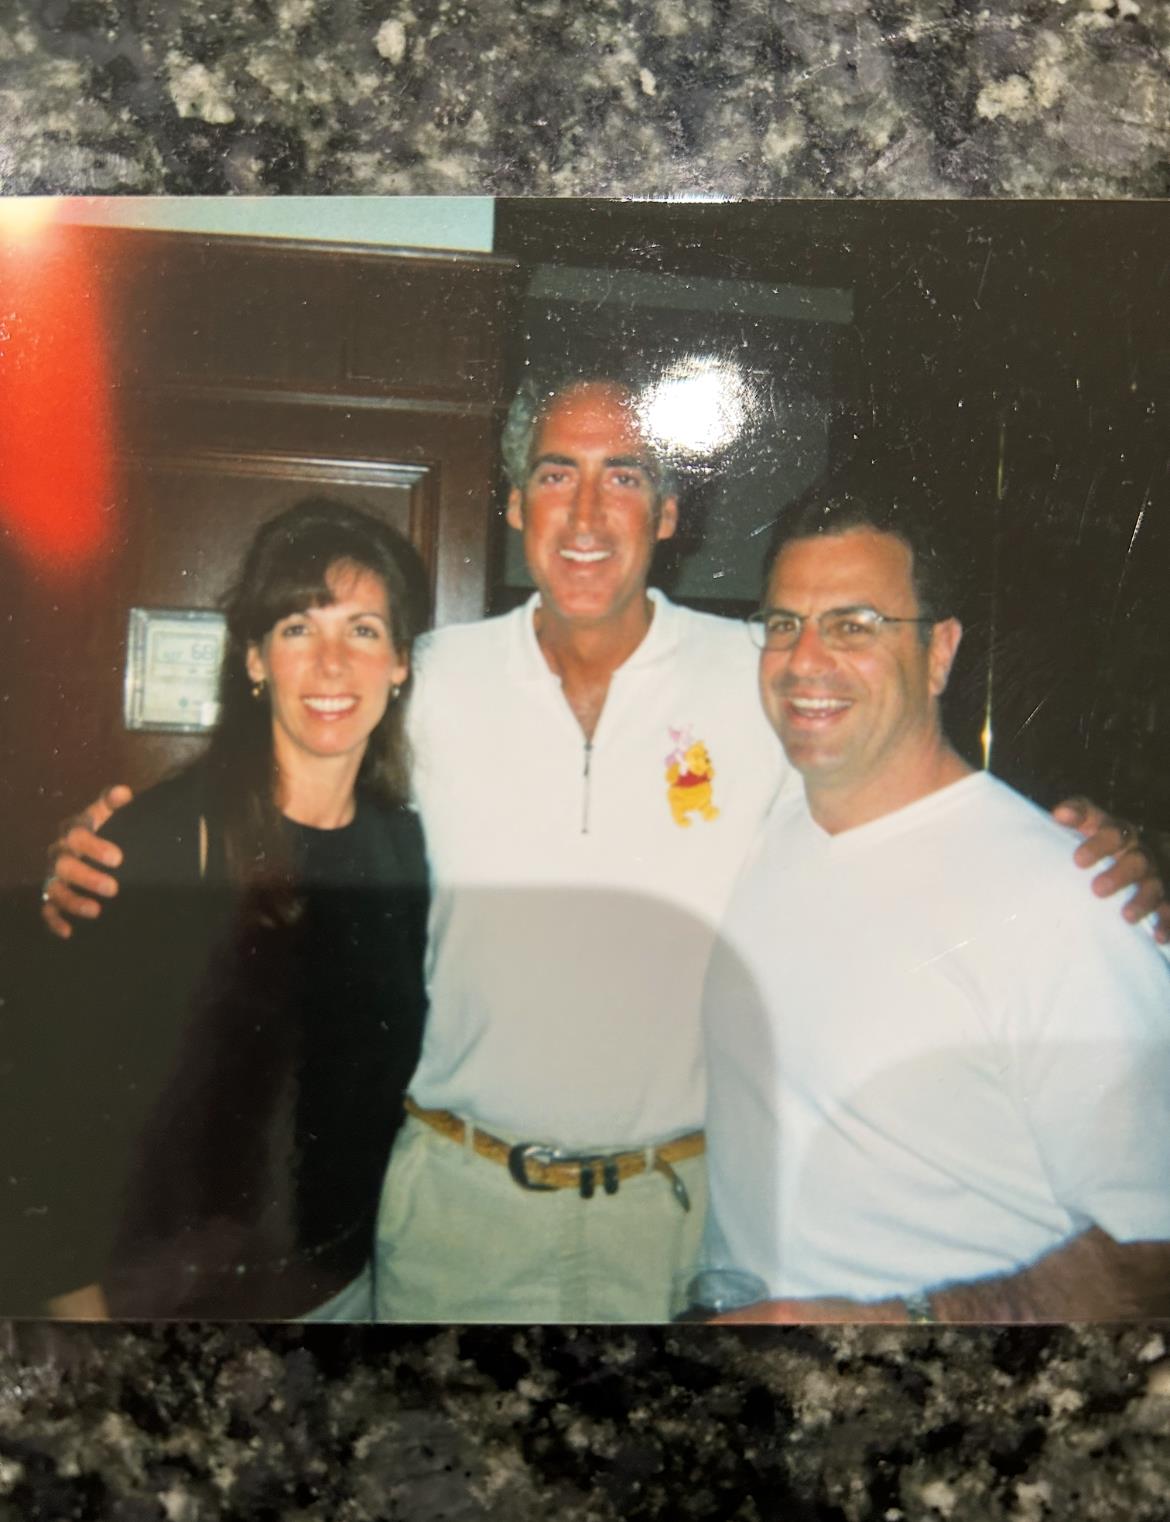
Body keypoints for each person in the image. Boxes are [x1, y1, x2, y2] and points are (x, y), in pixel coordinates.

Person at [39, 374, 1168, 1323]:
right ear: (516, 500)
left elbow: (892, 775)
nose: (586, 512)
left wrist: (1096, 845)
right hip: (452, 1216)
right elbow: (292, 767)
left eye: (624, 475)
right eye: (555, 474)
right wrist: (108, 847)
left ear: (669, 514)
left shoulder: (764, 674)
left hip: (669, 1230)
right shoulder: (428, 678)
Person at [701, 485, 1170, 1323]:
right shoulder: (757, 833)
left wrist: (912, 1323)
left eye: (854, 626)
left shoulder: (1070, 899)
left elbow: (1153, 1248)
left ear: (941, 652)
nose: (806, 659)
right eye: (782, 624)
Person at [13, 498, 429, 1320]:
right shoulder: (159, 842)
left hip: (343, 1294)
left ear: (401, 664)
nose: (332, 664)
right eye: (298, 629)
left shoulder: (407, 852)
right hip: (163, 1305)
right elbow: (50, 1115)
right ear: (254, 659)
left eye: (364, 630)